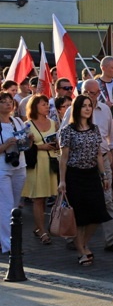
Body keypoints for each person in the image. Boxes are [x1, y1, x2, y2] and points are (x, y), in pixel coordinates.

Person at [62, 80, 113, 253]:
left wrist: (110, 164)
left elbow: (109, 139)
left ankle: (107, 240)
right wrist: (62, 181)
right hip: (76, 171)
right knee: (79, 210)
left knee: (104, 205)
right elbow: (64, 154)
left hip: (99, 165)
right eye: (87, 94)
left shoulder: (102, 116)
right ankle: (78, 244)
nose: (91, 100)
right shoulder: (69, 122)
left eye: (95, 94)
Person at [58, 95, 111, 266]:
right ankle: (81, 250)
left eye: (89, 106)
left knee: (97, 213)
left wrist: (104, 175)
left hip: (92, 174)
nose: (88, 109)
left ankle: (82, 243)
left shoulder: (94, 129)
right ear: (77, 109)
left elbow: (98, 154)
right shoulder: (68, 130)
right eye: (84, 106)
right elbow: (64, 158)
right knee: (79, 217)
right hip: (74, 175)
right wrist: (62, 181)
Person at [23, 95, 58, 246]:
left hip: (51, 162)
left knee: (46, 198)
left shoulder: (53, 123)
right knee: (38, 199)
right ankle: (42, 230)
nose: (47, 107)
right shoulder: (27, 125)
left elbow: (59, 143)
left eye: (47, 105)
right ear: (35, 106)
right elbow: (23, 148)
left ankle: (40, 227)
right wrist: (37, 146)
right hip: (36, 164)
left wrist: (56, 144)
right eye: (43, 104)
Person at [0, 91, 32, 254]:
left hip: (19, 165)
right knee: (5, 206)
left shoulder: (17, 120)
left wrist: (28, 139)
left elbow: (26, 144)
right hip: (2, 169)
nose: (7, 104)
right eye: (3, 101)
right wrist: (5, 145)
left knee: (13, 206)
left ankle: (9, 239)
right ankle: (8, 245)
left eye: (10, 101)